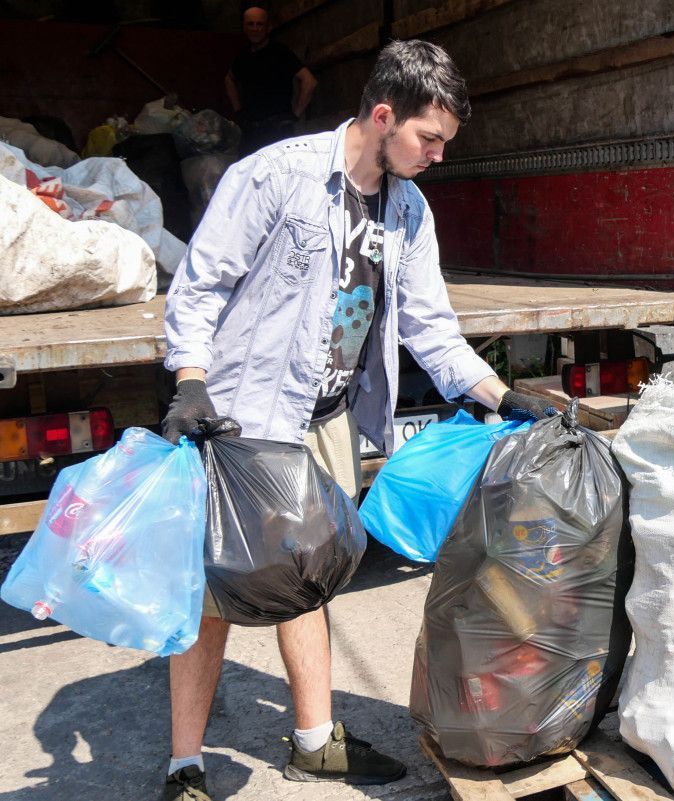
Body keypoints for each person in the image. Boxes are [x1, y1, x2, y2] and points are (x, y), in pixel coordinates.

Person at [160, 39, 552, 801]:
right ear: (383, 115)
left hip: (330, 416)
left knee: (311, 578)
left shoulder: (407, 208)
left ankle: (313, 742)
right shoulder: (275, 176)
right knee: (212, 591)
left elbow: (431, 326)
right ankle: (185, 764)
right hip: (244, 420)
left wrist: (500, 394)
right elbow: (201, 284)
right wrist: (192, 381)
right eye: (428, 139)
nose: (437, 156)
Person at [225, 5, 318, 156]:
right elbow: (229, 79)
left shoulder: (280, 53)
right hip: (251, 131)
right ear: (244, 27)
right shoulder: (243, 57)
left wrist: (295, 114)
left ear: (268, 27)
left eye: (259, 24)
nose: (255, 29)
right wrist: (238, 111)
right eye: (250, 24)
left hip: (278, 130)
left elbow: (309, 81)